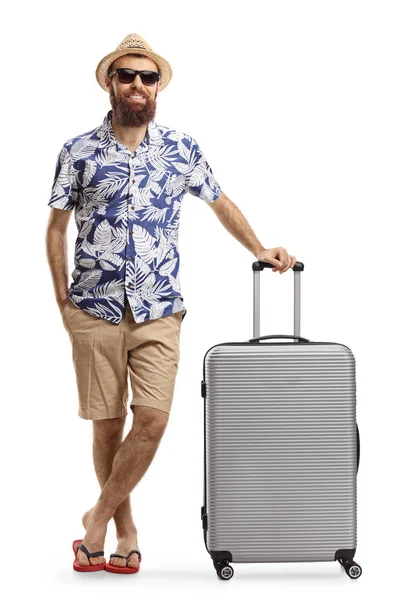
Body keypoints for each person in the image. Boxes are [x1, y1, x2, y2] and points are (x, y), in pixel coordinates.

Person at [46, 33, 297, 574]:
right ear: (110, 83)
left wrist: (259, 247)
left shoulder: (181, 149)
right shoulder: (78, 151)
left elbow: (219, 201)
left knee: (153, 420)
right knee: (106, 426)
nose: (138, 84)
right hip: (94, 307)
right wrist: (62, 299)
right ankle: (126, 531)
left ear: (158, 86)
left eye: (148, 77)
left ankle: (95, 520)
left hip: (160, 307)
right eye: (128, 75)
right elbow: (56, 226)